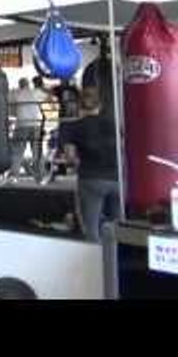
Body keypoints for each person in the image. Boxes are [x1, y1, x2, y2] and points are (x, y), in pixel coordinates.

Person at [58, 87, 121, 242]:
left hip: (91, 179)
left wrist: (80, 163)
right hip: (117, 179)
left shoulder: (71, 127)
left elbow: (70, 157)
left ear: (80, 103)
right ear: (100, 103)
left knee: (91, 230)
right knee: (118, 228)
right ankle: (115, 262)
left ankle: (95, 263)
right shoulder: (116, 124)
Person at [8, 78, 43, 179]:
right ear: (28, 84)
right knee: (37, 151)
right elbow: (47, 96)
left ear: (20, 85)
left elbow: (7, 100)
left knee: (17, 150)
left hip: (22, 124)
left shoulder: (16, 93)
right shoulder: (36, 92)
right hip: (36, 124)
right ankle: (40, 173)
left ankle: (14, 174)